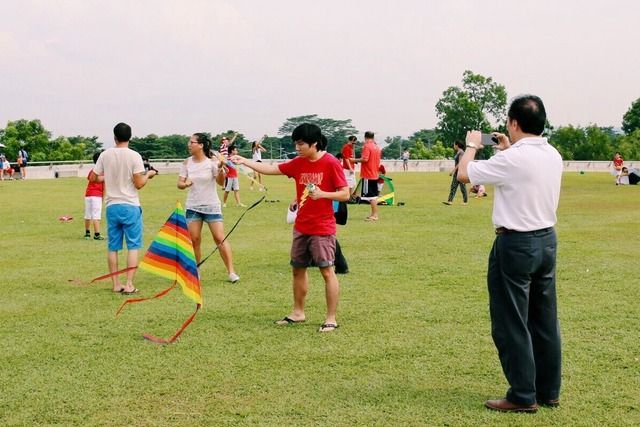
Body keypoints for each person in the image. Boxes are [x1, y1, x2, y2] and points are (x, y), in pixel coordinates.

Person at [457, 95, 563, 413]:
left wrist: (472, 146)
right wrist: (507, 149)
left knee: (511, 321)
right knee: (544, 321)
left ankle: (522, 394)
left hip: (516, 244)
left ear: (514, 123)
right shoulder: (552, 154)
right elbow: (522, 176)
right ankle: (548, 390)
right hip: (546, 241)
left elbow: (464, 174)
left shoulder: (513, 160)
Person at [231, 123, 349, 332]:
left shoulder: (331, 163)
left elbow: (345, 194)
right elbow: (270, 169)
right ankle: (298, 312)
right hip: (301, 226)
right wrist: (245, 161)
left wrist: (323, 194)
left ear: (314, 143)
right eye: (296, 143)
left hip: (322, 227)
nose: (297, 147)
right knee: (297, 270)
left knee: (327, 271)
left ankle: (331, 318)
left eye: (301, 143)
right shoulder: (298, 163)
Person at [90, 122, 157, 294]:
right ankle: (129, 284)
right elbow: (139, 183)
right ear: (130, 137)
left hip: (112, 206)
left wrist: (109, 176)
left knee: (113, 247)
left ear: (114, 136)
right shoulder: (134, 156)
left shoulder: (105, 155)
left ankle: (115, 283)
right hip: (130, 205)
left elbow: (93, 177)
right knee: (133, 246)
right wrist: (149, 174)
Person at [178, 133, 240, 283]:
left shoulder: (211, 162)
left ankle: (231, 271)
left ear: (201, 145)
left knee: (219, 238)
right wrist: (185, 184)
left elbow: (220, 183)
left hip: (211, 205)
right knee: (194, 239)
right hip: (193, 206)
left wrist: (219, 168)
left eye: (191, 142)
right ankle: (196, 270)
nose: (189, 144)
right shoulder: (187, 163)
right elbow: (179, 183)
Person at [352, 131, 382, 221]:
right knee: (373, 196)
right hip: (374, 174)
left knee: (371, 196)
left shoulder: (367, 146)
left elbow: (365, 159)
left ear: (365, 137)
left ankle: (374, 215)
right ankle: (374, 214)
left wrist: (353, 160)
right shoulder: (377, 147)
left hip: (368, 174)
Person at [84, 151, 105, 240]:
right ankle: (97, 234)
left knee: (88, 214)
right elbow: (101, 181)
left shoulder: (92, 171)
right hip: (97, 196)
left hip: (88, 195)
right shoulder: (103, 172)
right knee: (96, 215)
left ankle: (87, 233)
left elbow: (91, 178)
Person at [442, 141, 468, 206]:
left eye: (454, 145)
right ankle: (450, 201)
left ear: (457, 145)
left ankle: (465, 201)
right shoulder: (458, 152)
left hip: (461, 172)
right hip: (457, 172)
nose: (453, 146)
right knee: (453, 186)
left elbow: (460, 163)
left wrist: (452, 171)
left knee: (462, 187)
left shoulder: (461, 152)